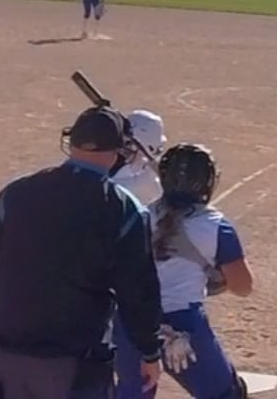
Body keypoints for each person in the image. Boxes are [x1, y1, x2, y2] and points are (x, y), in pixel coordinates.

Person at [0, 106, 180, 399]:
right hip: (74, 361)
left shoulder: (17, 192)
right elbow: (138, 292)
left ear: (71, 142)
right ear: (118, 152)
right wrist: (149, 351)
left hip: (5, 350)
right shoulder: (124, 209)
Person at [139, 143, 255, 399]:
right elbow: (243, 287)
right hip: (182, 325)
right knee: (227, 394)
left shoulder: (138, 215)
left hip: (130, 321)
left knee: (132, 392)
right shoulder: (215, 225)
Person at [108, 109, 169, 398]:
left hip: (83, 291)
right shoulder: (144, 186)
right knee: (137, 377)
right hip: (122, 296)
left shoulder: (103, 173)